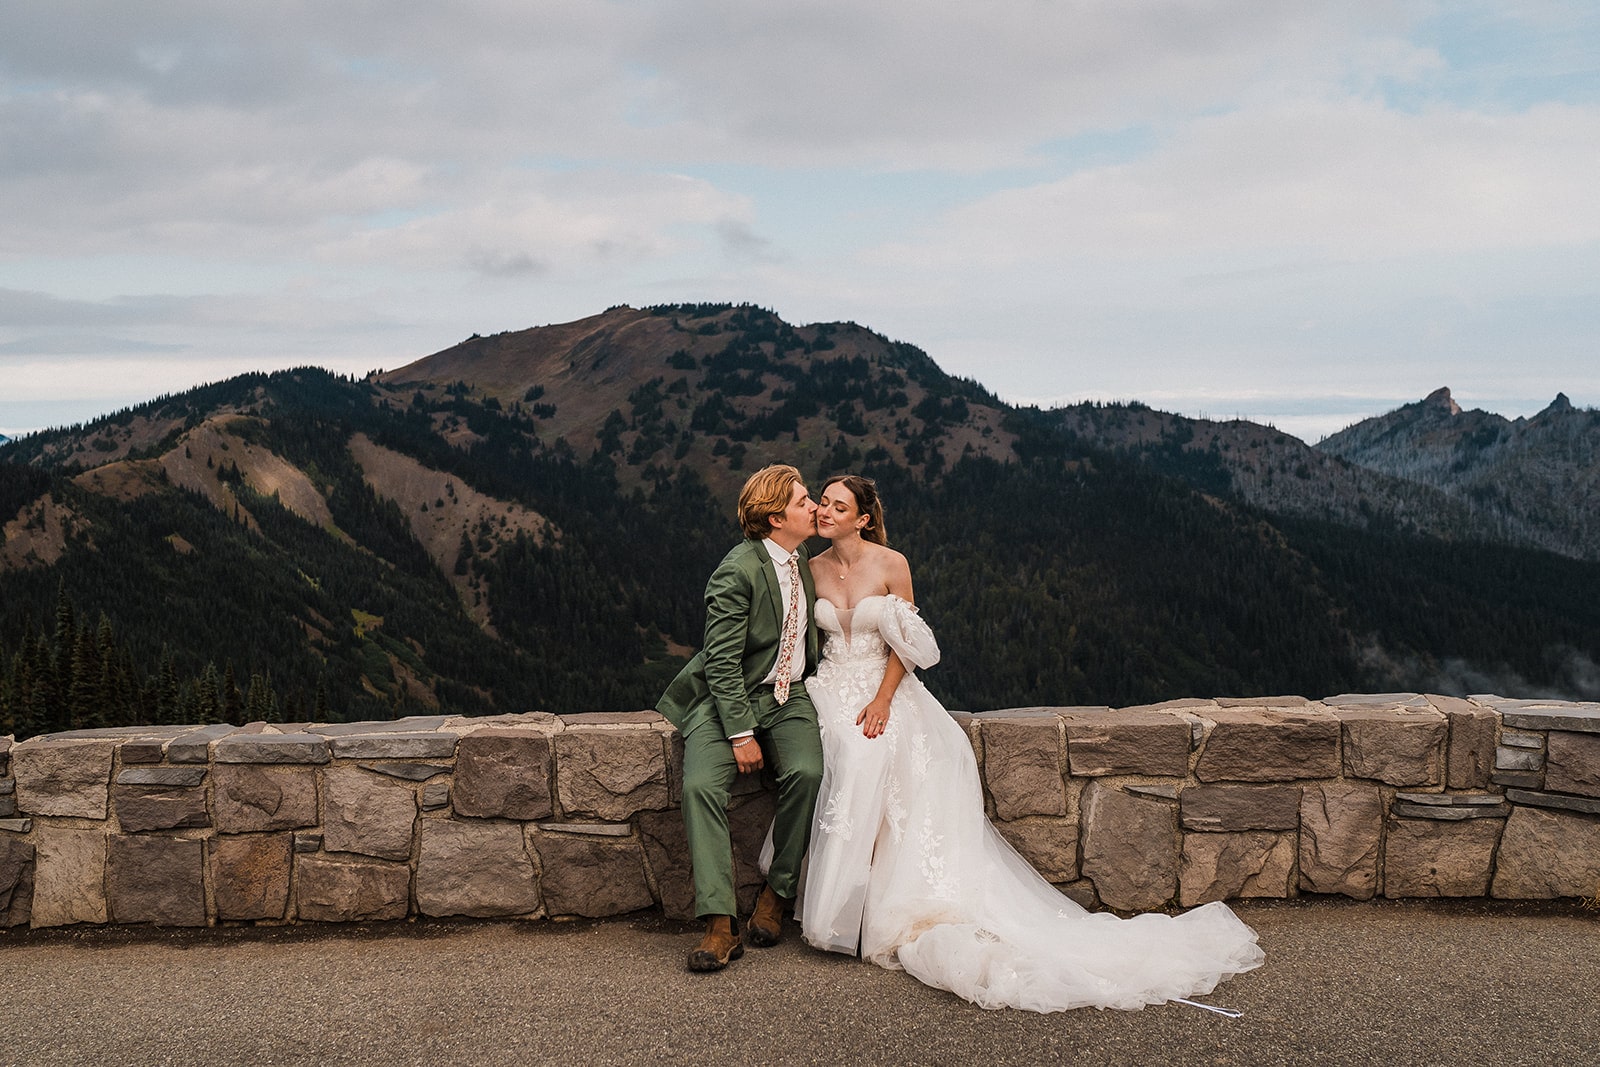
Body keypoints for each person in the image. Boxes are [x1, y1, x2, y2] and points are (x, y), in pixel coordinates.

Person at [797, 473, 1265, 1012]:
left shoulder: (892, 563)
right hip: (831, 690)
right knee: (848, 763)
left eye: (837, 505)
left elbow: (909, 645)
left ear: (862, 518)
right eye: (822, 504)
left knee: (881, 760)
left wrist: (881, 701)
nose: (825, 511)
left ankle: (882, 909)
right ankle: (839, 912)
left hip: (885, 690)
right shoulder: (811, 569)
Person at [657, 464, 826, 972]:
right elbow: (722, 662)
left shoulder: (802, 562)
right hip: (727, 699)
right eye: (803, 501)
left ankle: (778, 894)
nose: (814, 505)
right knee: (700, 788)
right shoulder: (737, 570)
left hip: (791, 696)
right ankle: (719, 923)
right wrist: (740, 733)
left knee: (808, 772)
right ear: (776, 518)